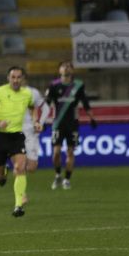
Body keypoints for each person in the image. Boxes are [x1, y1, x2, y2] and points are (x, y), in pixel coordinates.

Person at [0, 65, 40, 217]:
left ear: (23, 79)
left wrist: (35, 121)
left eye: (19, 77)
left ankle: (18, 206)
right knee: (0, 178)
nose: (16, 80)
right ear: (8, 78)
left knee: (20, 167)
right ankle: (3, 172)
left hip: (16, 136)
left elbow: (33, 107)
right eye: (13, 77)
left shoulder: (27, 94)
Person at [43, 60, 97, 190]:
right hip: (58, 123)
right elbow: (46, 104)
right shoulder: (54, 85)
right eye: (64, 66)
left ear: (72, 70)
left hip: (73, 124)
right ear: (59, 70)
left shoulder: (78, 85)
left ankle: (67, 179)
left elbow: (85, 103)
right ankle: (57, 175)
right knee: (56, 152)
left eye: (69, 66)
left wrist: (92, 118)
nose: (66, 68)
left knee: (70, 152)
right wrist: (42, 120)